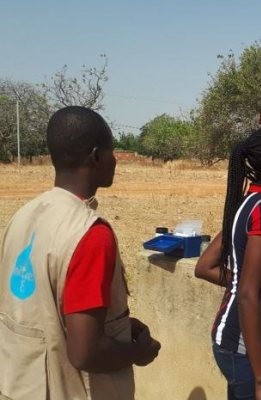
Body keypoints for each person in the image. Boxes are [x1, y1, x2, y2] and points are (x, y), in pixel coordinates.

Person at [0, 106, 161, 400]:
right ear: (95, 156)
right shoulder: (91, 235)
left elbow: (42, 307)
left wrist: (120, 327)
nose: (115, 161)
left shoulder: (22, 217)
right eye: (112, 152)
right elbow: (86, 352)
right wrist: (137, 351)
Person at [194, 129, 261, 400]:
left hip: (228, 340)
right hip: (245, 347)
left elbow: (205, 266)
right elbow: (246, 294)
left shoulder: (249, 201)